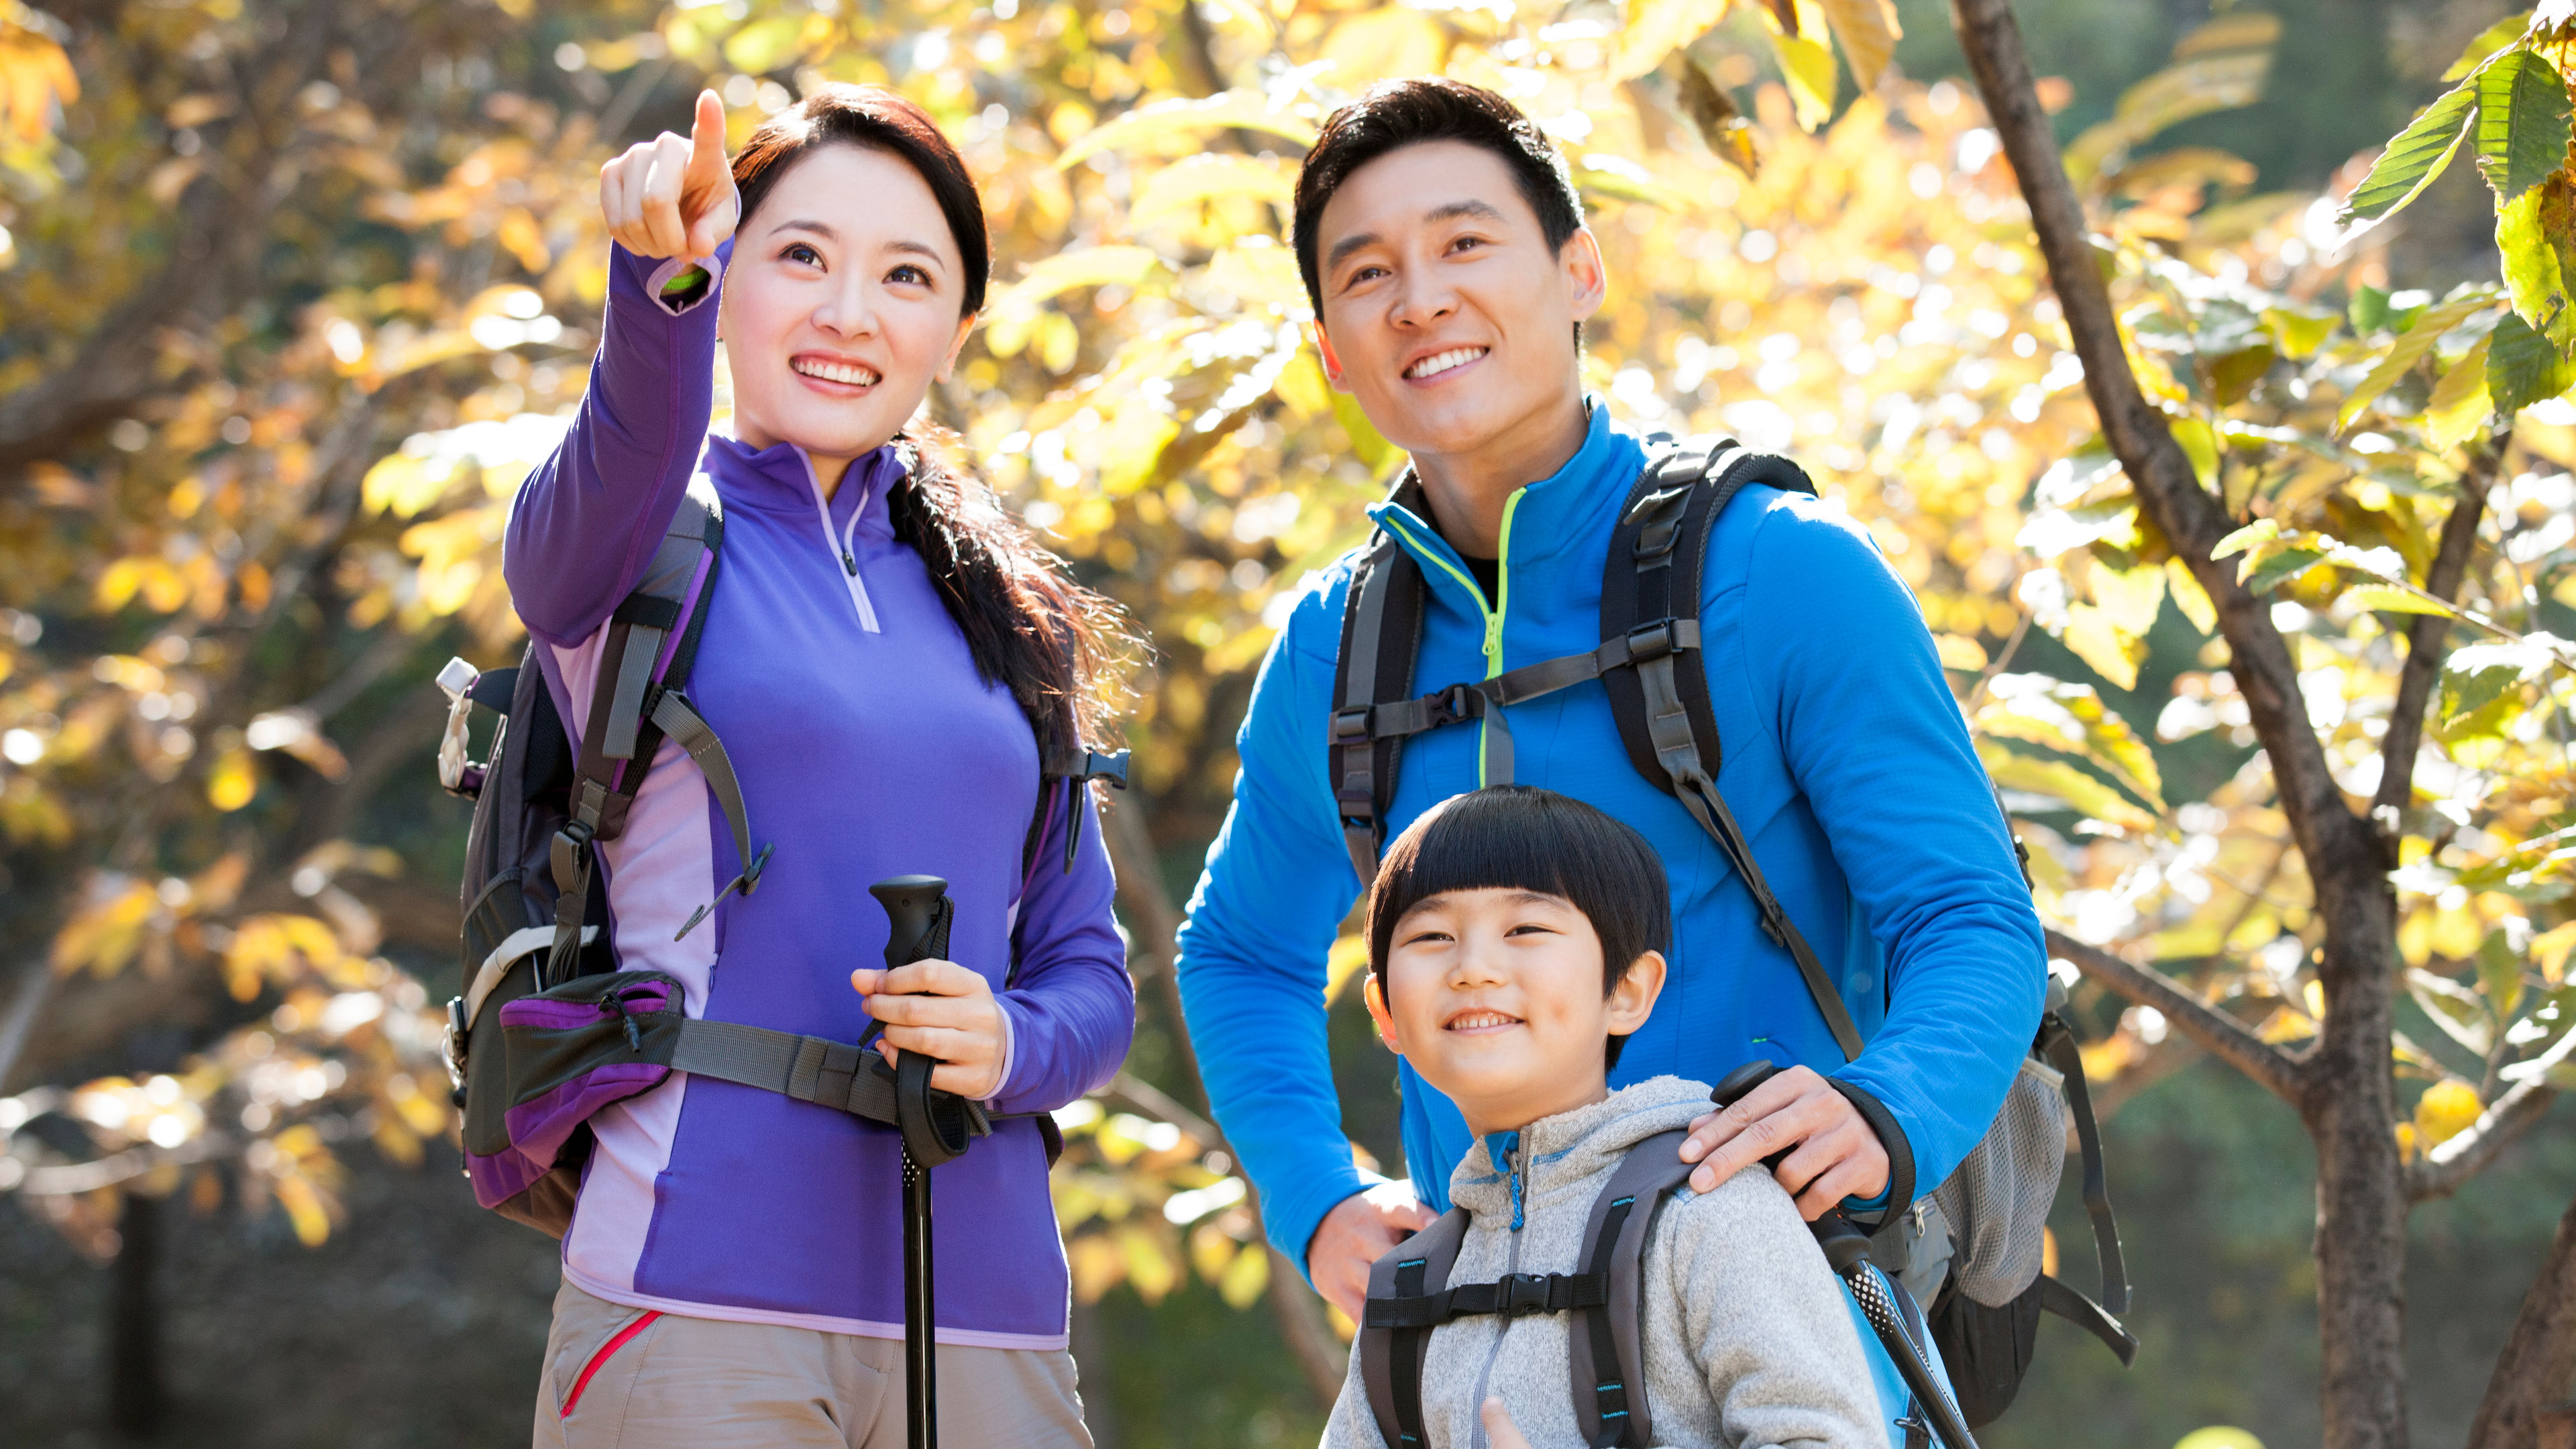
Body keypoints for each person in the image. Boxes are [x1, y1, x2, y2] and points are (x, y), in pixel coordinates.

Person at [1173, 76, 2047, 1321]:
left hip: (1787, 1327)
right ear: (1330, 351)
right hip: (1480, 1348)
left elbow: (1968, 916)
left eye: (1465, 243)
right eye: (1366, 274)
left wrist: (1885, 1108)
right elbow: (1240, 952)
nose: (1421, 300)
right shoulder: (1336, 645)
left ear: (1579, 270)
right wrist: (1314, 1198)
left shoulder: (1783, 570)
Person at [506, 85, 1135, 1446]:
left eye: (907, 275)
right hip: (691, 1300)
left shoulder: (1009, 616)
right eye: (801, 255)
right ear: (728, 278)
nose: (850, 311)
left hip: (993, 1321)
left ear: (958, 329)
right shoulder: (634, 546)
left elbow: (1093, 979)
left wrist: (1008, 1039)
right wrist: (656, 285)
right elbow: (613, 459)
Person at [1322, 786, 1880, 1449]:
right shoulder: (1409, 1287)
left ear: (1627, 991)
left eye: (1525, 929)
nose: (1473, 968)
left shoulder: (1708, 1206)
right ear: (1385, 1011)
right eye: (1432, 936)